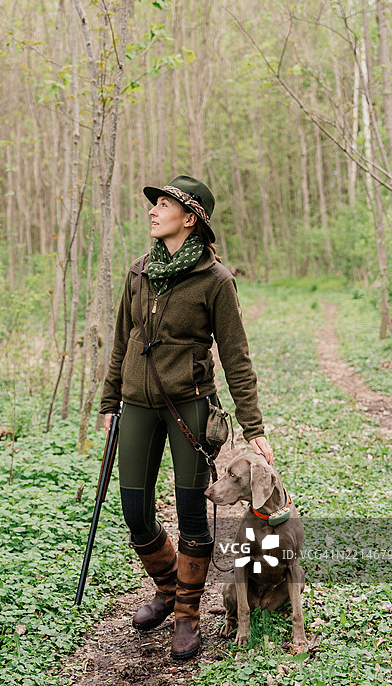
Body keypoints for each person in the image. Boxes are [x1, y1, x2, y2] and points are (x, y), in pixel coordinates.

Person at [99, 175, 272, 660]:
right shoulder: (138, 272)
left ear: (190, 218)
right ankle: (169, 588)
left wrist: (254, 427)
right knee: (135, 512)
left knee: (193, 513)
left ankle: (186, 616)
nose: (153, 210)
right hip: (136, 404)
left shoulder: (216, 280)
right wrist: (110, 401)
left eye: (165, 204)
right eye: (154, 203)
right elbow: (122, 341)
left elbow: (236, 357)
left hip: (190, 406)